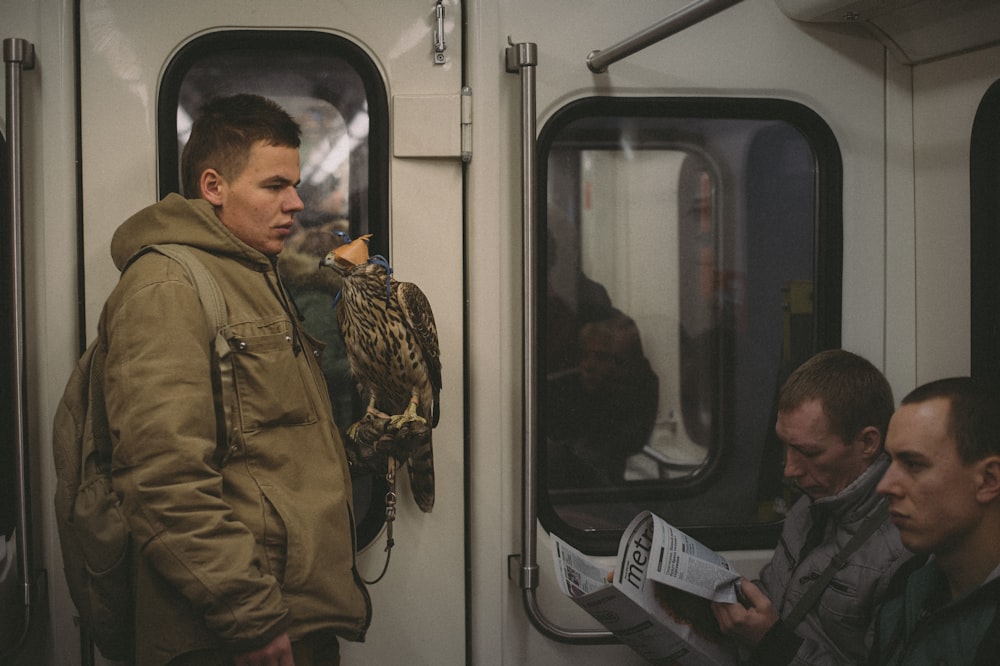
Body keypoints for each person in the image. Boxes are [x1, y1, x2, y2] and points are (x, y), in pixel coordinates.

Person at [101, 94, 370, 666]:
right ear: (214, 186)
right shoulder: (168, 287)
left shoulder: (251, 271)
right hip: (228, 630)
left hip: (285, 605)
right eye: (274, 186)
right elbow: (162, 479)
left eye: (294, 185)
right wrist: (249, 617)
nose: (296, 204)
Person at [712, 349, 907, 664]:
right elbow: (778, 596)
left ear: (868, 443)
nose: (790, 470)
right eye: (786, 446)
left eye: (810, 453)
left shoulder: (902, 546)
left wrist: (772, 644)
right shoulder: (808, 507)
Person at [868, 377, 1000, 665]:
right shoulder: (906, 586)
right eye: (890, 461)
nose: (885, 486)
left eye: (913, 464)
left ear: (989, 480)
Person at [545, 312, 658, 487]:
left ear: (627, 365)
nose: (587, 366)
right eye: (584, 356)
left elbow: (594, 459)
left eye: (602, 357)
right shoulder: (562, 388)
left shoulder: (634, 397)